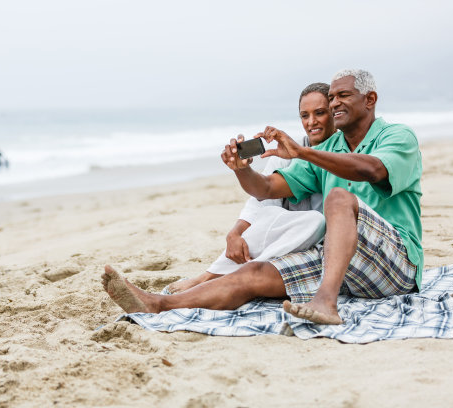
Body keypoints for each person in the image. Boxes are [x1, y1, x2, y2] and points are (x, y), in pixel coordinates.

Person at [102, 69, 423, 326]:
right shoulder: (325, 150)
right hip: (345, 269)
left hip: (395, 265)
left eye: (343, 95)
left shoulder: (397, 136)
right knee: (253, 275)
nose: (336, 102)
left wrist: (303, 151)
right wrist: (242, 169)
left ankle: (326, 302)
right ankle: (157, 304)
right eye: (333, 96)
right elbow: (267, 189)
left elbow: (373, 170)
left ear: (370, 99)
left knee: (338, 199)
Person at [167, 82, 336, 294]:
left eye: (319, 113)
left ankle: (222, 277)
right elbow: (262, 199)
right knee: (273, 210)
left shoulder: (346, 151)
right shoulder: (287, 153)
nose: (311, 122)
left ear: (334, 112)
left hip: (322, 243)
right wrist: (235, 233)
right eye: (304, 115)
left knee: (316, 221)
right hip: (284, 241)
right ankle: (209, 276)